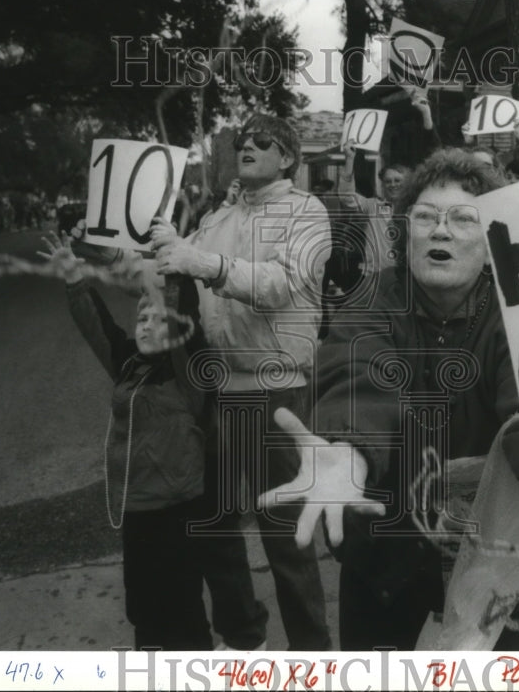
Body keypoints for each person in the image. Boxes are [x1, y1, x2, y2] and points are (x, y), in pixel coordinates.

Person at [258, 149, 519, 650]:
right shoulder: (370, 299)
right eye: (426, 217)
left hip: (495, 553)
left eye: (463, 219)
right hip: (383, 545)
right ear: (404, 232)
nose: (441, 230)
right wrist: (347, 452)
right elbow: (357, 374)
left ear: (491, 241)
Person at [151, 113, 333, 650]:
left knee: (286, 539)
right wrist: (158, 245)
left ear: (289, 158)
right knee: (217, 524)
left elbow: (281, 284)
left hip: (277, 390)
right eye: (242, 141)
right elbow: (184, 267)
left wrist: (202, 262)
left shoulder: (308, 211)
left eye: (263, 142)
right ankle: (244, 638)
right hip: (219, 389)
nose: (247, 146)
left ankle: (313, 656)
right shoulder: (217, 217)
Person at [37, 231, 213, 650]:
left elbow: (182, 311)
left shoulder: (188, 373)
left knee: (183, 612)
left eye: (156, 318)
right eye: (140, 318)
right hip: (136, 510)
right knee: (144, 613)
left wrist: (172, 265)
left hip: (177, 512)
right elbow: (98, 327)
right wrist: (74, 277)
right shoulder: (129, 365)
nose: (146, 323)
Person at [338, 140, 410, 276]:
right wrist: (349, 159)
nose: (392, 185)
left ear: (408, 183)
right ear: (383, 185)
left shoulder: (416, 210)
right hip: (375, 276)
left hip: (407, 277)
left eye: (397, 180)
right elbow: (346, 197)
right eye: (388, 181)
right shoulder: (373, 206)